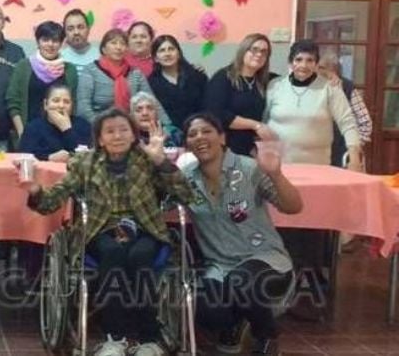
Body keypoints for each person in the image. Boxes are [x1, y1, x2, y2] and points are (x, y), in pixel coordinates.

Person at [25, 108, 194, 356]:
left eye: (124, 130)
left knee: (140, 255)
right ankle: (115, 337)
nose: (118, 136)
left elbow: (185, 195)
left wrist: (161, 161)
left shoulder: (147, 160)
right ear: (100, 138)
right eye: (110, 131)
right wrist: (35, 191)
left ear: (134, 135)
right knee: (112, 252)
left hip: (145, 229)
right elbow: (52, 201)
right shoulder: (85, 163)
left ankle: (149, 338)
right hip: (100, 230)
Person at [181, 112, 304, 355]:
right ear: (187, 145)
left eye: (207, 131)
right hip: (219, 266)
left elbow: (293, 207)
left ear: (222, 138)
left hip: (264, 260)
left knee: (243, 283)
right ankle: (236, 323)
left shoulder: (249, 169)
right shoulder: (186, 179)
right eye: (192, 134)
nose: (199, 137)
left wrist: (276, 174)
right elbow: (158, 203)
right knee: (208, 313)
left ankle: (266, 337)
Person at [264, 40, 362, 168]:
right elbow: (264, 120)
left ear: (316, 64)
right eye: (298, 60)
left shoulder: (330, 88)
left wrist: (354, 160)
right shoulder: (275, 85)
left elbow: (348, 124)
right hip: (276, 167)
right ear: (290, 62)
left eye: (309, 60)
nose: (303, 65)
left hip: (317, 167)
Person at [204, 33, 279, 157]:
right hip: (227, 148)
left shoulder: (267, 80)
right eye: (254, 49)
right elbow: (216, 113)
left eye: (264, 52)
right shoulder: (223, 77)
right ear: (243, 51)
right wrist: (256, 126)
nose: (259, 54)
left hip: (256, 149)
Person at [77, 29, 170, 125]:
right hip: (97, 127)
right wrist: (104, 127)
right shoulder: (90, 71)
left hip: (130, 127)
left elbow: (152, 102)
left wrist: (168, 125)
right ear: (104, 49)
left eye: (122, 44)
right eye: (113, 43)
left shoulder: (135, 73)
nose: (118, 47)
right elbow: (83, 108)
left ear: (127, 49)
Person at [6, 21, 78, 143]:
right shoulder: (23, 66)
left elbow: (73, 104)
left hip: (60, 136)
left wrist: (67, 131)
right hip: (29, 134)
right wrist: (22, 132)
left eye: (55, 41)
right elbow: (13, 102)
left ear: (61, 43)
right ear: (38, 42)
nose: (50, 44)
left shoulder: (69, 70)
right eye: (45, 40)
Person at [317, 51, 372, 167]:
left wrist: (354, 146)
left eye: (321, 67)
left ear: (333, 70)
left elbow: (365, 122)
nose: (317, 70)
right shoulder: (312, 86)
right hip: (317, 152)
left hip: (341, 152)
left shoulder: (347, 87)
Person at [148, 35, 208, 130]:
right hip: (170, 134)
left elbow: (208, 106)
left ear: (179, 53)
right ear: (155, 58)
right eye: (162, 50)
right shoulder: (151, 83)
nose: (167, 54)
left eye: (171, 49)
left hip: (199, 129)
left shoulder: (198, 76)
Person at [19, 84, 92, 162]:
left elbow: (86, 157)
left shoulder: (84, 125)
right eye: (56, 101)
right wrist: (49, 158)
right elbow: (25, 157)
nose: (61, 106)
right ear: (46, 104)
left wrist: (67, 129)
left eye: (66, 102)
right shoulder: (33, 128)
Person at [60, 8, 100, 75]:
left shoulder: (100, 57)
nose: (76, 32)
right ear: (65, 32)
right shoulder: (59, 57)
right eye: (70, 29)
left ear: (88, 29)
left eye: (80, 27)